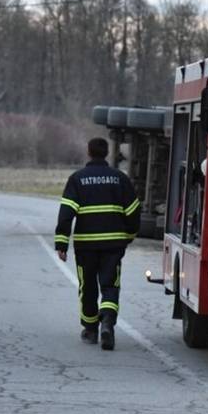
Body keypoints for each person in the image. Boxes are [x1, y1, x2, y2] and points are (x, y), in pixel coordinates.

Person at [55, 137, 140, 351]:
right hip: (113, 244)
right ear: (107, 153)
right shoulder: (120, 178)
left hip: (86, 246)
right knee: (110, 285)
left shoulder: (77, 179)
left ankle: (91, 329)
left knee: (88, 286)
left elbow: (66, 213)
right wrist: (129, 235)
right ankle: (108, 324)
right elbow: (133, 211)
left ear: (89, 152)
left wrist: (62, 243)